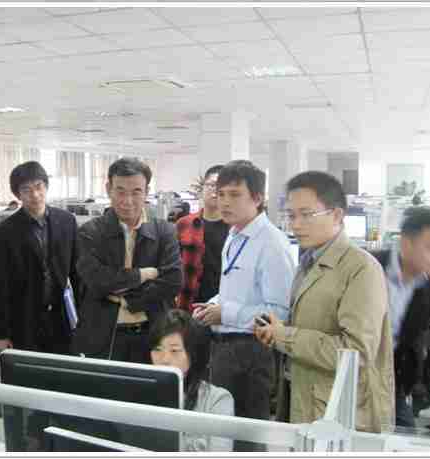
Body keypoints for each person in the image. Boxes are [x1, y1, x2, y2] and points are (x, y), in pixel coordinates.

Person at [254, 171, 394, 433]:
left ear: (337, 215)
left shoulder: (361, 269)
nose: (296, 225)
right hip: (301, 397)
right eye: (291, 216)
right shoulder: (307, 262)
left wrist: (285, 336)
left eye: (306, 215)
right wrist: (276, 331)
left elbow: (355, 353)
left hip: (337, 413)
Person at [192, 160, 295, 451]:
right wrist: (211, 305)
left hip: (252, 351)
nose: (224, 202)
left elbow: (278, 312)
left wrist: (224, 313)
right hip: (224, 347)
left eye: (235, 195)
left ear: (258, 198)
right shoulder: (235, 233)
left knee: (247, 436)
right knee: (223, 433)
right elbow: (234, 289)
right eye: (221, 194)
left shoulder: (272, 243)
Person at [74, 157, 182, 363]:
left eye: (136, 192)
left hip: (154, 333)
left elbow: (173, 281)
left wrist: (128, 299)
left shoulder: (164, 231)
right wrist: (144, 274)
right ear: (109, 189)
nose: (128, 200)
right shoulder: (90, 232)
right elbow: (97, 281)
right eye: (120, 191)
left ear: (146, 192)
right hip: (104, 335)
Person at [0, 161, 79, 355]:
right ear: (18, 195)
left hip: (62, 317)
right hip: (24, 319)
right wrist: (1, 334)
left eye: (39, 187)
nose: (35, 195)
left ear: (46, 186)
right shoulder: (5, 231)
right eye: (27, 190)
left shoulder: (67, 221)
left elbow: (77, 273)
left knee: (64, 369)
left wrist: (85, 320)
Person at [370, 206, 430, 428]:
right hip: (356, 371)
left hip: (394, 381)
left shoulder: (425, 286)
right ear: (406, 243)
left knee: (404, 436)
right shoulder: (369, 266)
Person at [149, 309, 234, 452]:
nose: (164, 360)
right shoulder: (141, 394)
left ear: (192, 354)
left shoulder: (217, 399)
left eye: (174, 351)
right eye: (158, 349)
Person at [176, 165, 229, 310]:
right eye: (212, 185)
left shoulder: (235, 228)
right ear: (202, 188)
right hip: (188, 303)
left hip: (222, 307)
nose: (215, 191)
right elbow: (173, 265)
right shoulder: (184, 224)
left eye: (221, 187)